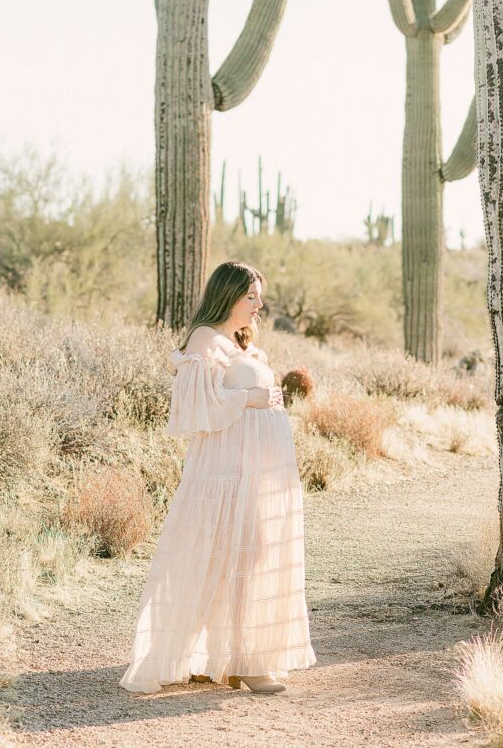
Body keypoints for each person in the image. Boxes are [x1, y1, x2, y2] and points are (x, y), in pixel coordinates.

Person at [119, 260, 316, 695]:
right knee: (230, 558)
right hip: (225, 473)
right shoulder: (205, 340)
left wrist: (265, 394)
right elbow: (195, 408)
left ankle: (228, 659)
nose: (259, 304)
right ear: (227, 295)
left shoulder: (242, 346)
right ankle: (245, 662)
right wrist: (252, 396)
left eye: (259, 296)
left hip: (258, 473)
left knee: (251, 556)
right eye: (251, 296)